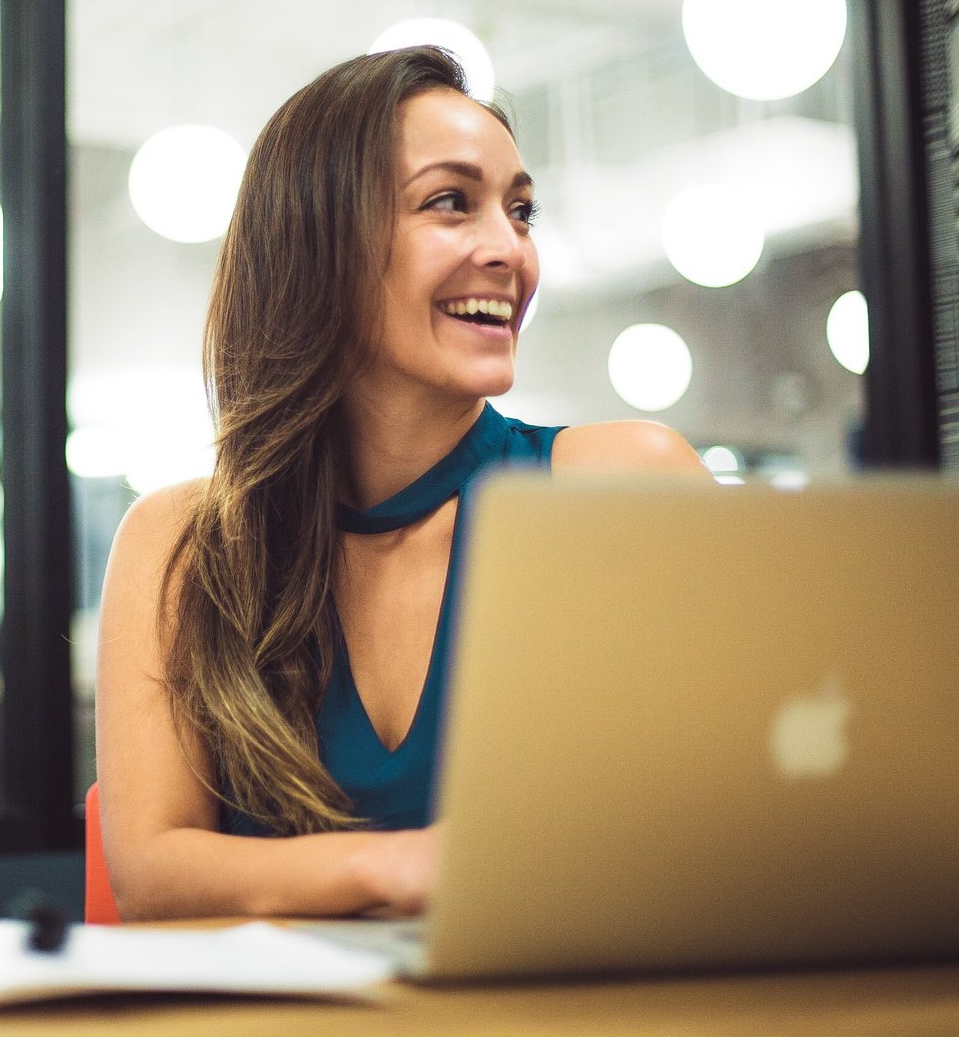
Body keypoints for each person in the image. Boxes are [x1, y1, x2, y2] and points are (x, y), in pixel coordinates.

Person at [95, 46, 708, 922]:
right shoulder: (182, 543)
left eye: (522, 212)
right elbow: (153, 875)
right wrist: (404, 867)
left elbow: (725, 833)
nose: (510, 250)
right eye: (450, 202)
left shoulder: (620, 487)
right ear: (320, 244)